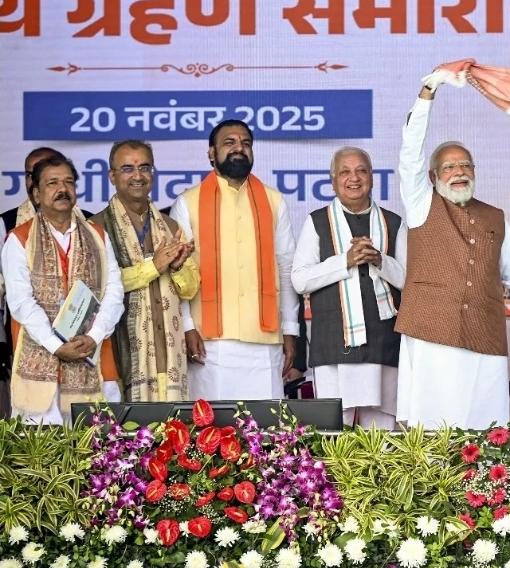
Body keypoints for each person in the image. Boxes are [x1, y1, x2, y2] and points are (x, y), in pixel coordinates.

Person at [395, 80, 510, 429]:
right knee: (432, 432)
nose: (459, 171)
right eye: (449, 167)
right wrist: (428, 91)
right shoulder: (420, 204)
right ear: (432, 176)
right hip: (431, 338)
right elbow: (410, 153)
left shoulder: (495, 217)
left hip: (485, 342)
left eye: (465, 165)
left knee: (484, 435)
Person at [170, 120, 300, 400]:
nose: (239, 148)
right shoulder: (187, 202)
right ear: (211, 153)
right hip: (209, 343)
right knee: (210, 424)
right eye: (229, 142)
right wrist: (187, 326)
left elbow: (286, 267)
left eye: (246, 143)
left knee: (266, 424)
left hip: (265, 341)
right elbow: (178, 271)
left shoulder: (274, 201)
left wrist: (290, 329)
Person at [1, 156, 124, 424]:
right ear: (36, 193)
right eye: (52, 183)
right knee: (44, 446)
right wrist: (57, 346)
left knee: (97, 442)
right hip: (40, 367)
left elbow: (115, 291)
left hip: (93, 357)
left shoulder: (98, 235)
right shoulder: (19, 239)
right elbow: (21, 303)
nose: (62, 189)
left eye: (69, 182)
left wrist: (93, 336)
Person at [292, 147, 407, 429]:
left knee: (381, 434)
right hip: (334, 345)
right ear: (333, 181)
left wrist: (379, 260)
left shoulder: (393, 223)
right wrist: (345, 261)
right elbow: (300, 280)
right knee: (333, 431)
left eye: (361, 171)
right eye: (345, 172)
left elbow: (409, 281)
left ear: (372, 177)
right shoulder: (317, 222)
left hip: (383, 345)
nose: (353, 178)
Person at [90, 140, 199, 401]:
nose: (138, 176)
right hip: (120, 352)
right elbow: (97, 288)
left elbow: (191, 288)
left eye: (145, 167)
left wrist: (177, 268)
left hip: (168, 356)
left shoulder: (170, 226)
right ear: (112, 176)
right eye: (128, 169)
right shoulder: (95, 227)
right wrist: (154, 267)